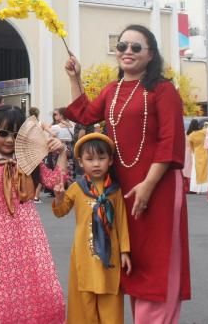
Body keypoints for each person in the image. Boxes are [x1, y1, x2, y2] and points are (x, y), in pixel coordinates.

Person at [64, 24, 189, 322]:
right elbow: (83, 115)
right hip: (122, 189)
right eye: (122, 47)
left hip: (157, 186)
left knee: (157, 260)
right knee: (132, 261)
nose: (127, 52)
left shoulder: (163, 90)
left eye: (136, 47)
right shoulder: (112, 90)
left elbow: (169, 141)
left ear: (151, 55)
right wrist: (75, 77)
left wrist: (148, 184)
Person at [0, 105, 67, 324]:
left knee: (43, 290)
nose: (9, 140)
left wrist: (62, 152)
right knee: (0, 292)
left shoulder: (30, 161)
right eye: (3, 133)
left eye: (16, 134)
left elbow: (55, 181)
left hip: (29, 233)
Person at [52, 133, 131, 324]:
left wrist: (124, 251)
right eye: (90, 159)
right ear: (80, 162)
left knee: (109, 298)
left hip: (109, 257)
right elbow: (60, 211)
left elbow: (121, 220)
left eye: (101, 158)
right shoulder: (78, 188)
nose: (96, 164)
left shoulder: (116, 191)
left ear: (110, 160)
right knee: (84, 301)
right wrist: (59, 197)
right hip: (83, 256)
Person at [185, 119, 208, 195]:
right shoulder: (203, 132)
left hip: (196, 153)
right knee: (204, 171)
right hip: (205, 152)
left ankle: (196, 188)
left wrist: (193, 152)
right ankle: (204, 187)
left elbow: (192, 147)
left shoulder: (191, 135)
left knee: (195, 172)